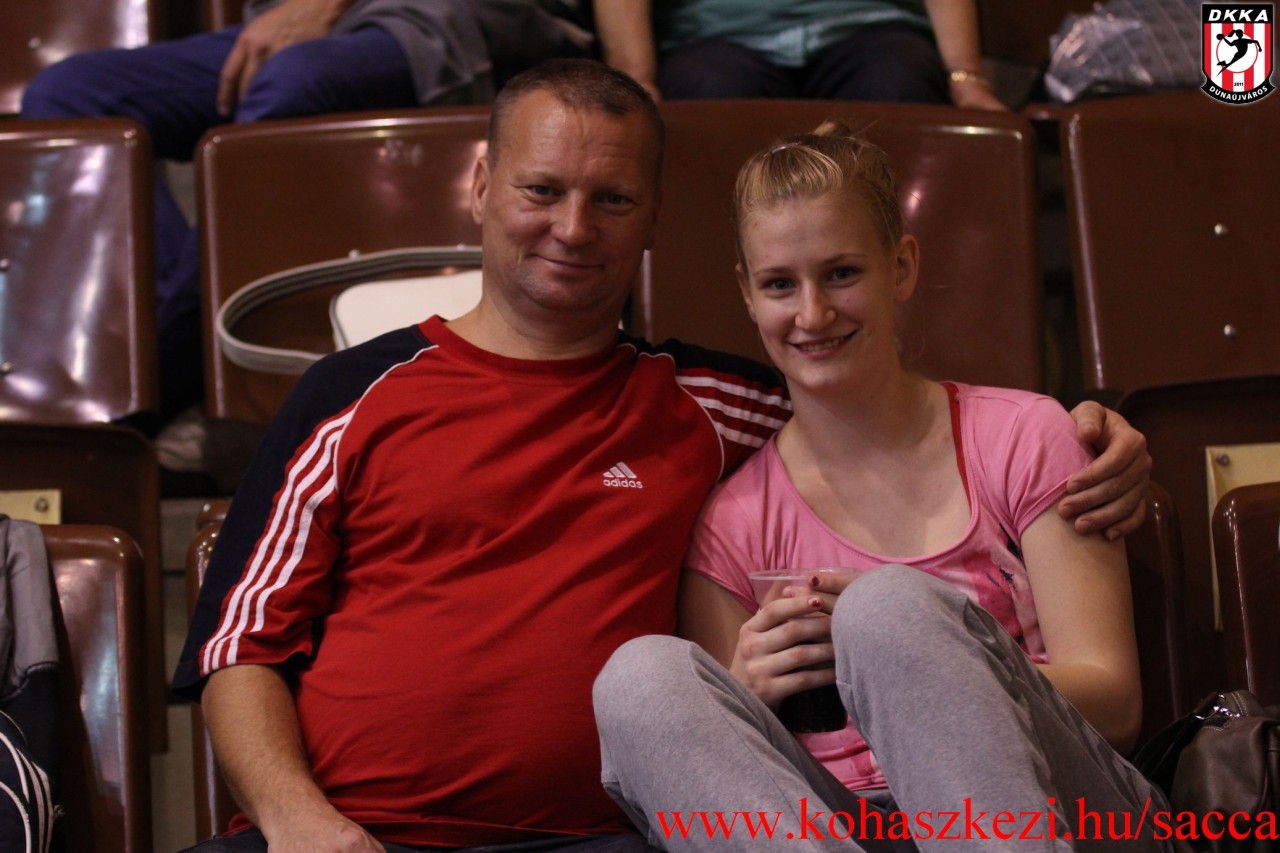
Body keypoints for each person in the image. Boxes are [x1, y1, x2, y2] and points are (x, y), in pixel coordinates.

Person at [174, 59, 1149, 850]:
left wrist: (1094, 430)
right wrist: (299, 822)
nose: (572, 227)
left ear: (650, 221)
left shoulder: (707, 403)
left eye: (611, 198)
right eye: (542, 190)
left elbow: (867, 390)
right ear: (480, 187)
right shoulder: (349, 395)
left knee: (850, 622)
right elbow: (237, 645)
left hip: (601, 835)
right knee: (648, 675)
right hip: (351, 832)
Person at [592, 123, 1168, 851]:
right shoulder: (734, 517)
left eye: (841, 273)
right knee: (638, 679)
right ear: (747, 293)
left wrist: (930, 660)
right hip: (847, 826)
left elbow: (1115, 704)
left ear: (901, 267)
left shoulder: (1022, 436)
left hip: (1057, 811)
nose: (813, 314)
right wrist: (746, 693)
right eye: (779, 284)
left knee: (887, 610)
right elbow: (745, 769)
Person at [19, 0, 594, 428]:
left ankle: (150, 382)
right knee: (68, 94)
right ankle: (169, 354)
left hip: (444, 14)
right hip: (309, 18)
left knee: (292, 80)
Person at [592, 0, 1006, 110]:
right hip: (715, 38)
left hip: (868, 28)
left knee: (899, 82)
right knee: (711, 94)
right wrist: (635, 79)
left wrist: (965, 76)